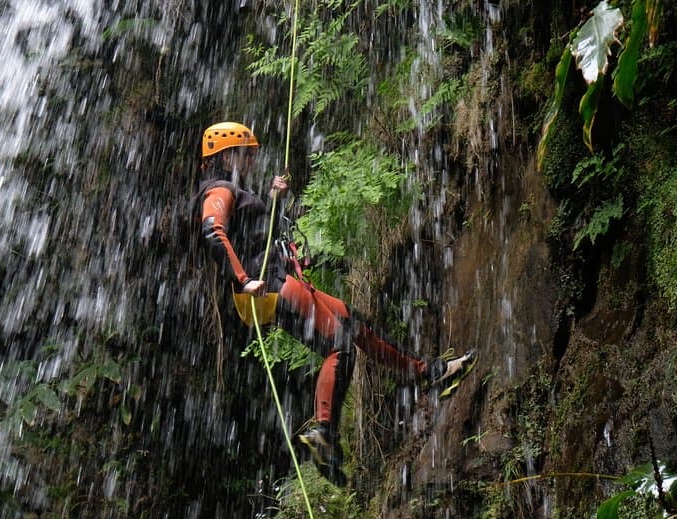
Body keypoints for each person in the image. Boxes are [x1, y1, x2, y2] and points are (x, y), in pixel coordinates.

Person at [196, 121, 474, 485]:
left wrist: (273, 199)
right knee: (338, 346)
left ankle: (426, 373)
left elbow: (253, 234)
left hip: (276, 282)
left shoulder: (237, 189)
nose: (251, 160)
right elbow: (212, 232)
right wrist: (244, 280)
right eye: (245, 154)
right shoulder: (218, 191)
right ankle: (323, 432)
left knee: (353, 324)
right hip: (267, 289)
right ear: (226, 156)